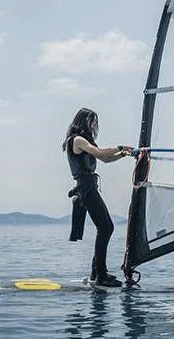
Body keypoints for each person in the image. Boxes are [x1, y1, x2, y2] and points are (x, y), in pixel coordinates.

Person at [62, 107, 133, 289]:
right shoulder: (77, 140)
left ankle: (97, 272)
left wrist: (124, 155)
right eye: (92, 121)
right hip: (85, 189)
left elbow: (106, 160)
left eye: (96, 121)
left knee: (106, 227)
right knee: (106, 227)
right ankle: (100, 274)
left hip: (90, 187)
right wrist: (120, 147)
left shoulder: (86, 141)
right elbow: (101, 154)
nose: (95, 124)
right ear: (83, 121)